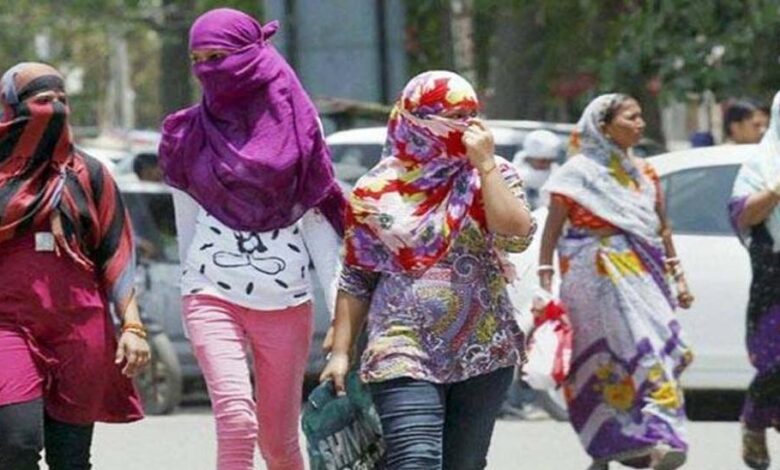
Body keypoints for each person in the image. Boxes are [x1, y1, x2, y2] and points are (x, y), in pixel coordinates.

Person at [158, 8, 345, 470]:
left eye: (217, 56)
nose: (207, 69)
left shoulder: (300, 126)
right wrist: (189, 286)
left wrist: (341, 315)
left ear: (251, 56)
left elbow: (318, 223)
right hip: (209, 294)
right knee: (237, 422)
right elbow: (187, 224)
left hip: (285, 301)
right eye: (198, 59)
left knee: (279, 444)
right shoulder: (186, 133)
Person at [320, 70, 536, 469]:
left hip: (483, 350)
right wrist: (340, 353)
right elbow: (357, 275)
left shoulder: (493, 175)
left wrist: (486, 166)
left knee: (464, 464)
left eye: (471, 115)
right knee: (415, 460)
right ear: (415, 121)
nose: (466, 127)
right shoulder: (376, 190)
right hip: (401, 346)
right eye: (452, 117)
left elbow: (516, 236)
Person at [0, 62, 149, 469]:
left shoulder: (89, 173)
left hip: (78, 328)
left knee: (71, 459)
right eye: (41, 100)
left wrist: (132, 327)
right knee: (16, 444)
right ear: (11, 107)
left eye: (61, 100)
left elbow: (116, 251)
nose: (54, 109)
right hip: (8, 325)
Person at [538, 94, 694, 470]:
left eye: (641, 117)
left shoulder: (645, 172)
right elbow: (552, 231)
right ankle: (607, 447)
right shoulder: (575, 174)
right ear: (603, 127)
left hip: (641, 275)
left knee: (654, 350)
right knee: (600, 363)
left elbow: (662, 228)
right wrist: (544, 282)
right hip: (589, 282)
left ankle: (660, 439)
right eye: (631, 117)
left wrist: (679, 277)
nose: (640, 124)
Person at [729, 90, 780, 470]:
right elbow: (743, 216)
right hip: (774, 279)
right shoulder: (762, 163)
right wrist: (776, 189)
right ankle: (755, 421)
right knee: (776, 361)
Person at [512, 129, 562, 209]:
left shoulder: (558, 176)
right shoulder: (511, 176)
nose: (546, 165)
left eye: (549, 161)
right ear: (529, 159)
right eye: (542, 161)